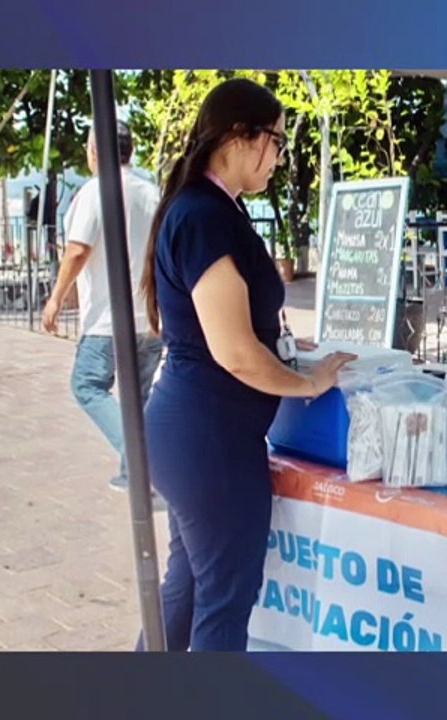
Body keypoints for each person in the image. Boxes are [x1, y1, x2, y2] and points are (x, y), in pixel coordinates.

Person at [135, 78, 355, 652]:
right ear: (240, 136)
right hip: (209, 438)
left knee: (187, 588)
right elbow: (234, 351)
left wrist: (288, 357)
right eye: (277, 141)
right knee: (224, 602)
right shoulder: (204, 217)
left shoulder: (209, 209)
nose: (281, 156)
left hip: (196, 432)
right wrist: (308, 381)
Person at [42, 121, 166, 495]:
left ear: (95, 151)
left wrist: (56, 296)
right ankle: (135, 473)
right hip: (149, 318)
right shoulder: (152, 193)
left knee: (86, 384)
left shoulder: (96, 192)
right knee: (139, 396)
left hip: (108, 319)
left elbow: (78, 248)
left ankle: (141, 460)